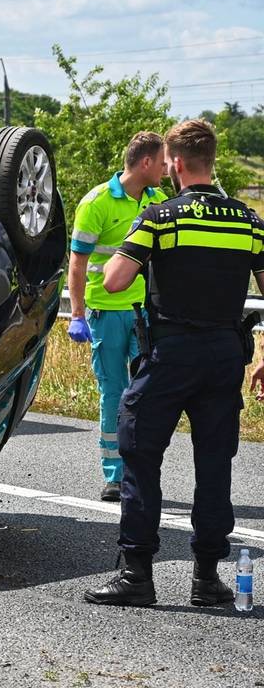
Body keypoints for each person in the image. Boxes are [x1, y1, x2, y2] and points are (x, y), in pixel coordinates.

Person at [84, 119, 264, 607]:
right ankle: (208, 578)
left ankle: (137, 574)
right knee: (214, 464)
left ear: (176, 164)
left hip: (170, 353)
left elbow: (117, 280)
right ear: (213, 161)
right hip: (225, 355)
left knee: (139, 454)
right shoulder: (248, 221)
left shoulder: (162, 218)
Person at [66, 132, 168, 502]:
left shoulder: (159, 202)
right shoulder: (97, 202)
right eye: (162, 162)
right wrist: (77, 313)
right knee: (114, 393)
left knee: (145, 394)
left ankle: (138, 468)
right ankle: (114, 475)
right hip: (106, 312)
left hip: (145, 313)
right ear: (145, 163)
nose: (166, 169)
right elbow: (77, 262)